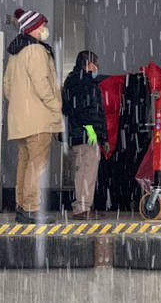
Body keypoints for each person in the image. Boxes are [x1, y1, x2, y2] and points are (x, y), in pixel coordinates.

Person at [4, 8, 63, 224]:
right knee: (37, 165)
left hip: (21, 120)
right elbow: (42, 85)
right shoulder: (36, 50)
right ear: (33, 28)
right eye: (42, 26)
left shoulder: (15, 53)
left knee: (25, 163)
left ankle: (21, 207)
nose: (45, 29)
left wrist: (22, 105)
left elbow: (7, 87)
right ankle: (31, 208)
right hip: (38, 119)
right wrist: (56, 106)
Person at [62, 51, 108, 220]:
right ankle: (82, 207)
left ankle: (82, 206)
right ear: (88, 64)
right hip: (85, 134)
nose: (96, 68)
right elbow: (85, 111)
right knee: (87, 170)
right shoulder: (84, 82)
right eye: (95, 64)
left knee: (83, 169)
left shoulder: (73, 81)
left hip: (78, 134)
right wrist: (92, 131)